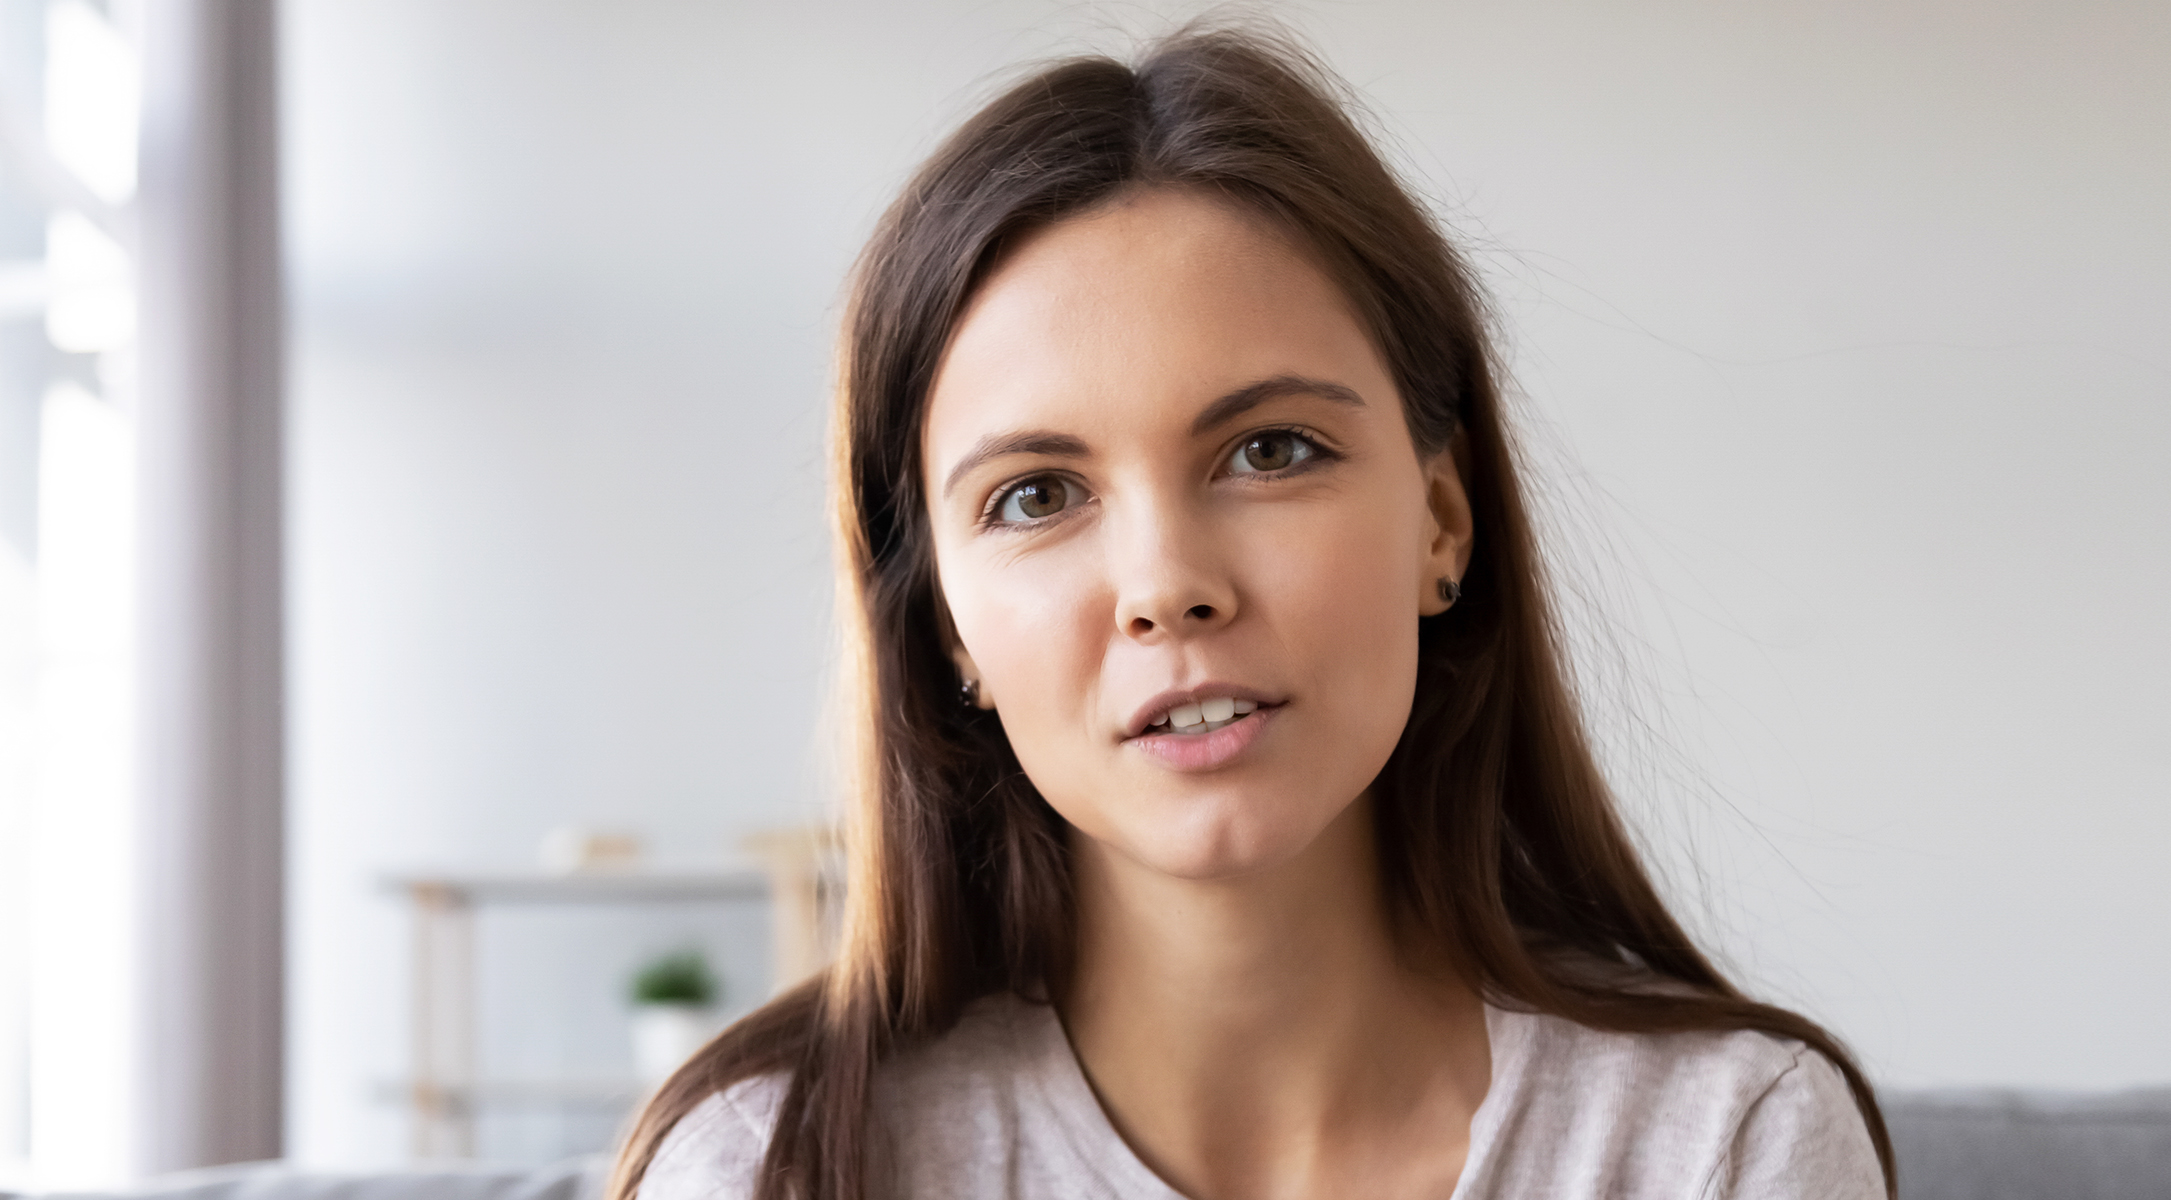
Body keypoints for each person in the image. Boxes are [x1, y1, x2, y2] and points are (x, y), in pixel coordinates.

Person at [610, 25, 1893, 1200]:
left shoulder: (1735, 1146)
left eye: (1270, 452)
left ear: (1443, 523)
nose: (1168, 584)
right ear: (948, 625)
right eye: (1038, 494)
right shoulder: (765, 1169)